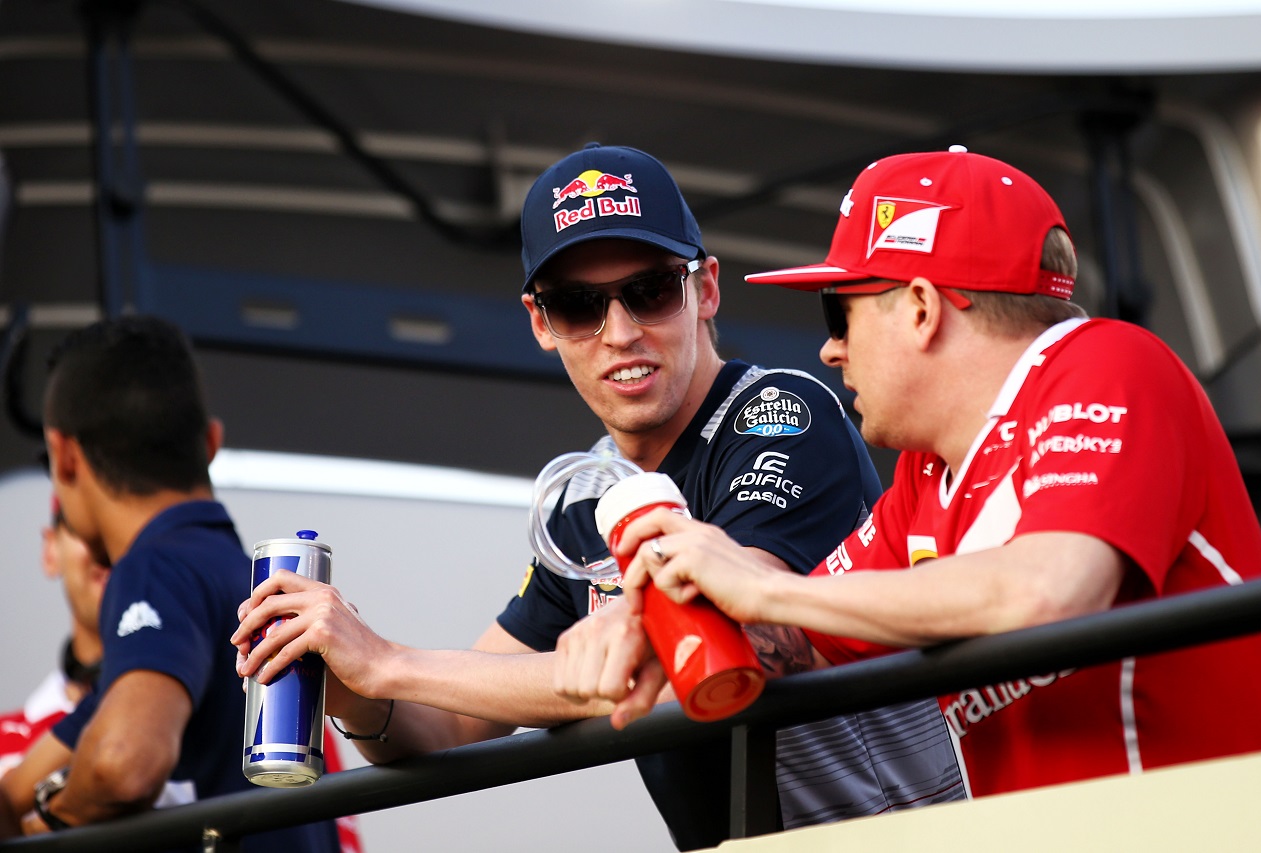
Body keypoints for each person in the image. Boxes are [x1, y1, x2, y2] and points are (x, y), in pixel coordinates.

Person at [233, 143, 964, 849]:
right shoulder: (587, 493)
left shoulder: (781, 413)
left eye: (650, 291)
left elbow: (712, 649)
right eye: (579, 306)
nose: (620, 333)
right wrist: (350, 677)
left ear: (706, 289)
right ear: (540, 323)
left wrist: (390, 662)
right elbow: (451, 728)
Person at [553, 145, 1261, 798]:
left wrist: (762, 584)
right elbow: (797, 639)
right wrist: (643, 624)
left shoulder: (1108, 359)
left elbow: (1049, 588)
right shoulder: (925, 480)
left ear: (923, 308)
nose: (830, 351)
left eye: (839, 314)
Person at [0, 316, 342, 850]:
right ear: (210, 443)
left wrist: (46, 824)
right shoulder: (244, 583)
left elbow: (123, 762)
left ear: (64, 455)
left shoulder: (155, 569)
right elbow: (16, 790)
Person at [0, 497, 109, 781]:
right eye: (89, 527)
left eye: (130, 531)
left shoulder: (207, 729)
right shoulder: (5, 744)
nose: (108, 550)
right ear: (51, 550)